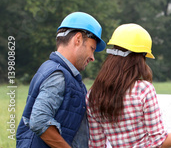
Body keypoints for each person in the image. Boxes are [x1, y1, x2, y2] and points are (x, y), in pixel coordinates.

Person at [86, 23, 171, 148]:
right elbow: (159, 141)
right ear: (139, 58)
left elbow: (96, 145)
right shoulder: (143, 90)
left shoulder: (93, 95)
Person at [16, 12, 107, 148]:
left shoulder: (63, 74)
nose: (92, 57)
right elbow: (39, 121)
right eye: (91, 48)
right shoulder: (58, 75)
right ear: (78, 39)